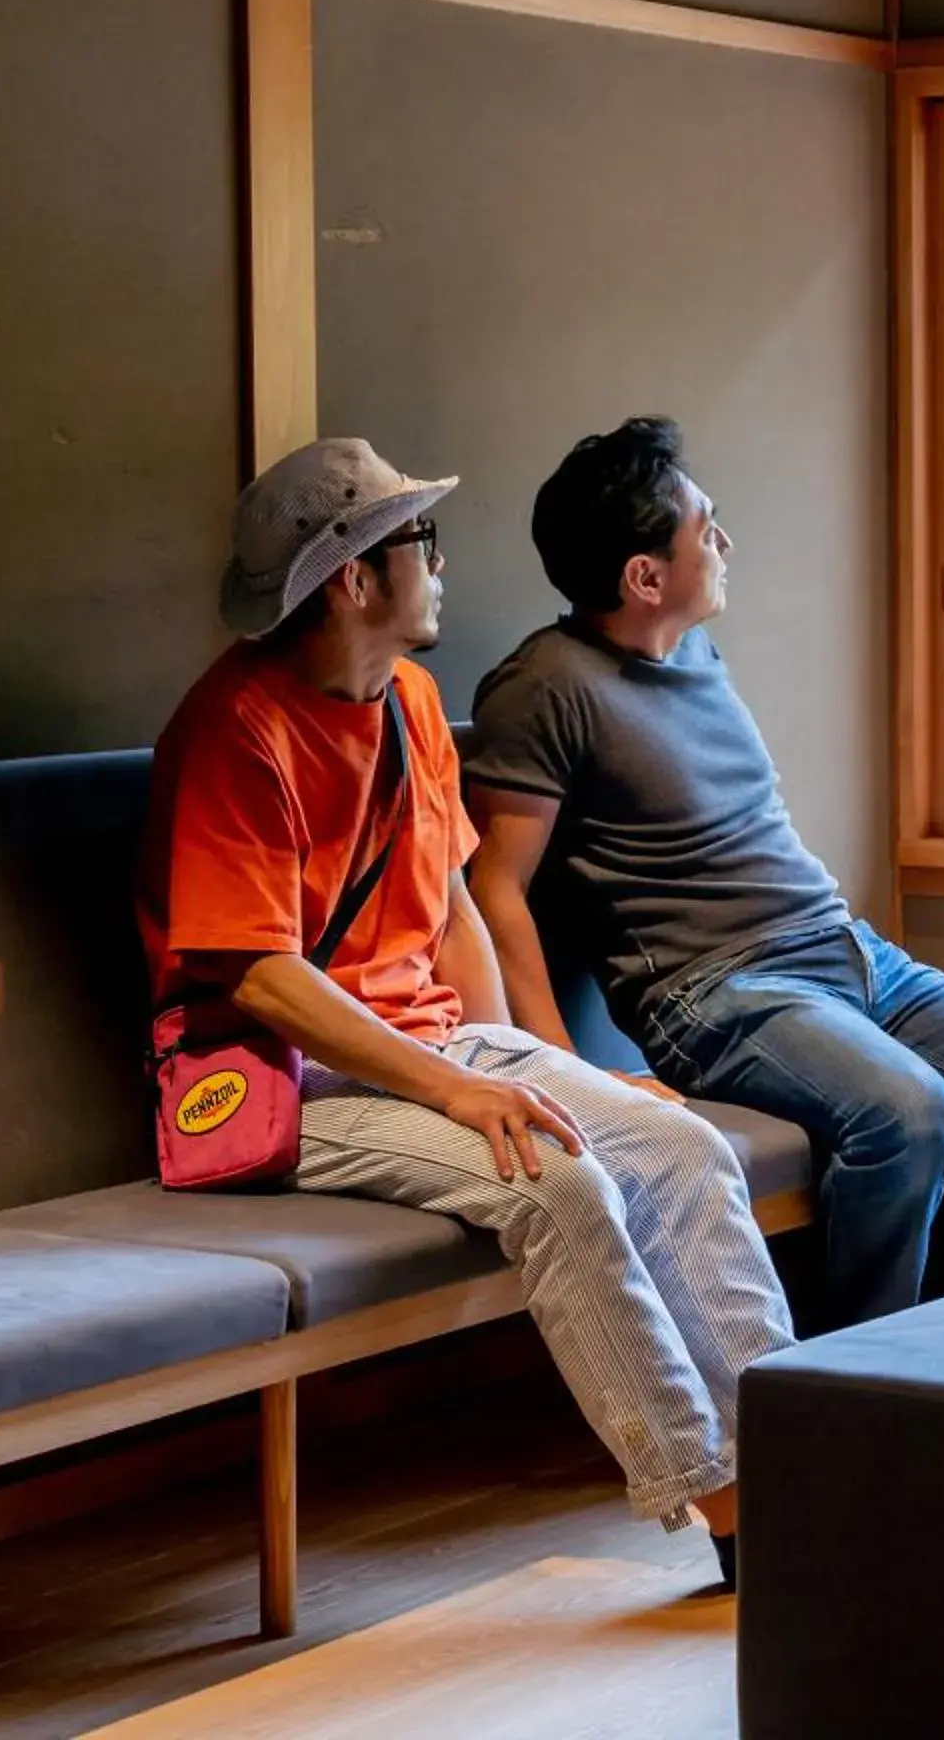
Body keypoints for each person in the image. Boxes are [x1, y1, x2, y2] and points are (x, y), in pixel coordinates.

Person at [140, 437, 792, 1586]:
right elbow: (258, 976)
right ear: (353, 578)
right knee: (565, 1182)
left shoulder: (412, 702)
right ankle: (733, 1508)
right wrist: (460, 1086)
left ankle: (802, 1472)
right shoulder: (233, 731)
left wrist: (544, 1065)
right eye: (419, 544)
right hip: (290, 1072)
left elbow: (451, 910)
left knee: (686, 1149)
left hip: (437, 1041)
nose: (441, 565)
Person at [464, 418, 944, 1327]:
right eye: (704, 528)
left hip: (852, 956)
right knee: (910, 1117)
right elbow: (496, 886)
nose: (724, 542)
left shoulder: (693, 650)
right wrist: (562, 1071)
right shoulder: (542, 687)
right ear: (644, 576)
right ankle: (847, 1406)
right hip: (718, 994)